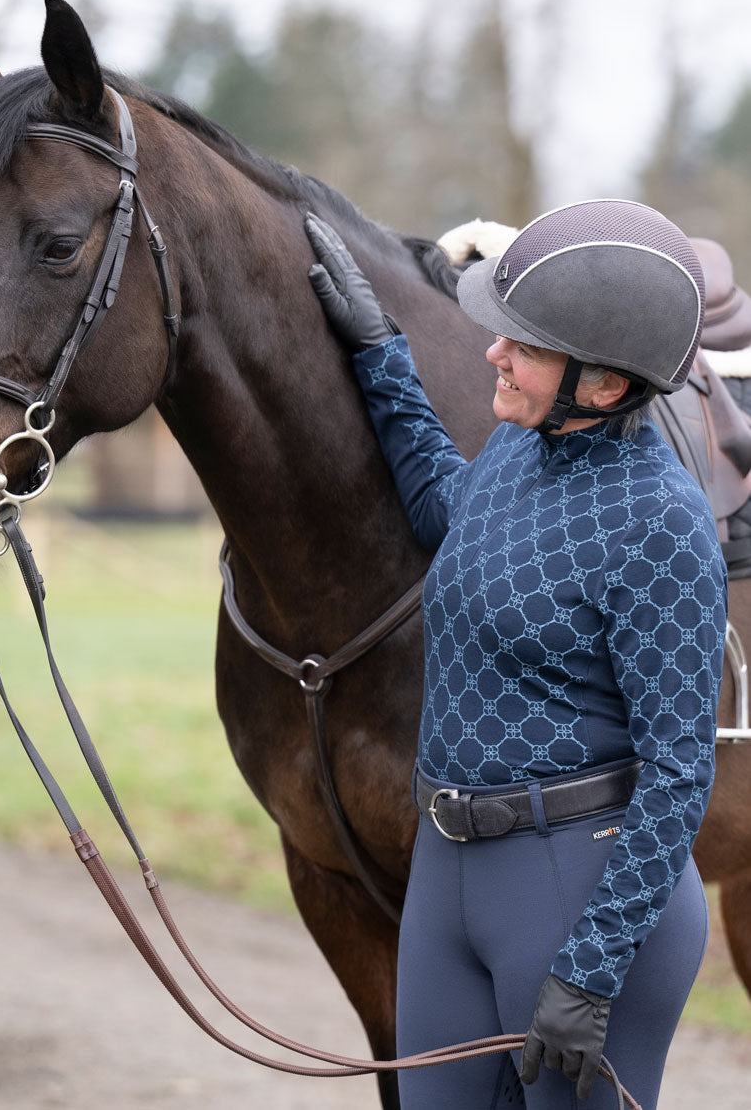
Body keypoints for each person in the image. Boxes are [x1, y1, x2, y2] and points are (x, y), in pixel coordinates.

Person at [304, 199, 727, 1110]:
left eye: (522, 344)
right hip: (449, 876)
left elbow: (680, 771)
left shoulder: (661, 524)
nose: (492, 350)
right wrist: (379, 352)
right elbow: (446, 516)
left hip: (580, 891)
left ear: (604, 385)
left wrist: (591, 970)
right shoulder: (515, 451)